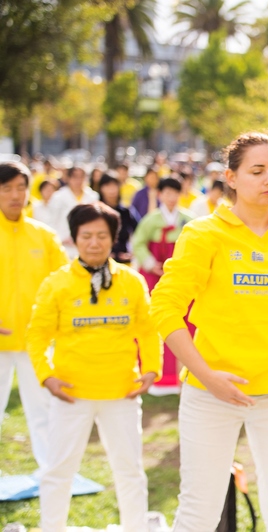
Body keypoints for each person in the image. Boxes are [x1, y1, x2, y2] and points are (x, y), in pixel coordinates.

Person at [149, 132, 268, 531]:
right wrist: (206, 375)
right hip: (212, 394)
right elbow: (164, 307)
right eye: (257, 171)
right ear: (230, 178)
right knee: (198, 511)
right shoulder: (203, 234)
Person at [28, 202, 162, 531]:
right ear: (74, 238)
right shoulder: (56, 283)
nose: (94, 243)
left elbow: (147, 330)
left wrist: (152, 369)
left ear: (113, 239)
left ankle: (135, 527)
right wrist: (47, 377)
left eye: (102, 235)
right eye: (86, 235)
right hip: (71, 394)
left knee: (129, 470)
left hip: (122, 393)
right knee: (58, 471)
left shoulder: (131, 281)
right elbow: (36, 336)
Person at [0, 162, 68, 475]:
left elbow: (64, 287)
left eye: (19, 187)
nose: (14, 195)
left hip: (35, 341)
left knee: (42, 410)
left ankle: (49, 471)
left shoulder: (45, 237)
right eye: (6, 188)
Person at [131, 177, 194, 292]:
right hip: (155, 267)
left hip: (179, 269)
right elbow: (138, 242)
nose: (172, 198)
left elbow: (194, 245)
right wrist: (150, 264)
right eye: (168, 193)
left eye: (175, 194)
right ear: (160, 194)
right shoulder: (150, 219)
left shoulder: (189, 219)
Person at [49, 166, 100, 259]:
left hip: (86, 244)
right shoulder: (58, 197)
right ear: (68, 178)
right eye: (75, 177)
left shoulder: (92, 196)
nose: (78, 180)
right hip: (64, 245)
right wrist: (62, 238)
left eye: (81, 177)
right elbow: (51, 221)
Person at [98, 174, 137, 264]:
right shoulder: (96, 211)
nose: (112, 190)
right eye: (108, 186)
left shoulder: (125, 211)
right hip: (100, 261)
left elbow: (140, 231)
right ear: (101, 188)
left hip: (123, 261)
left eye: (114, 186)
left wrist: (133, 252)